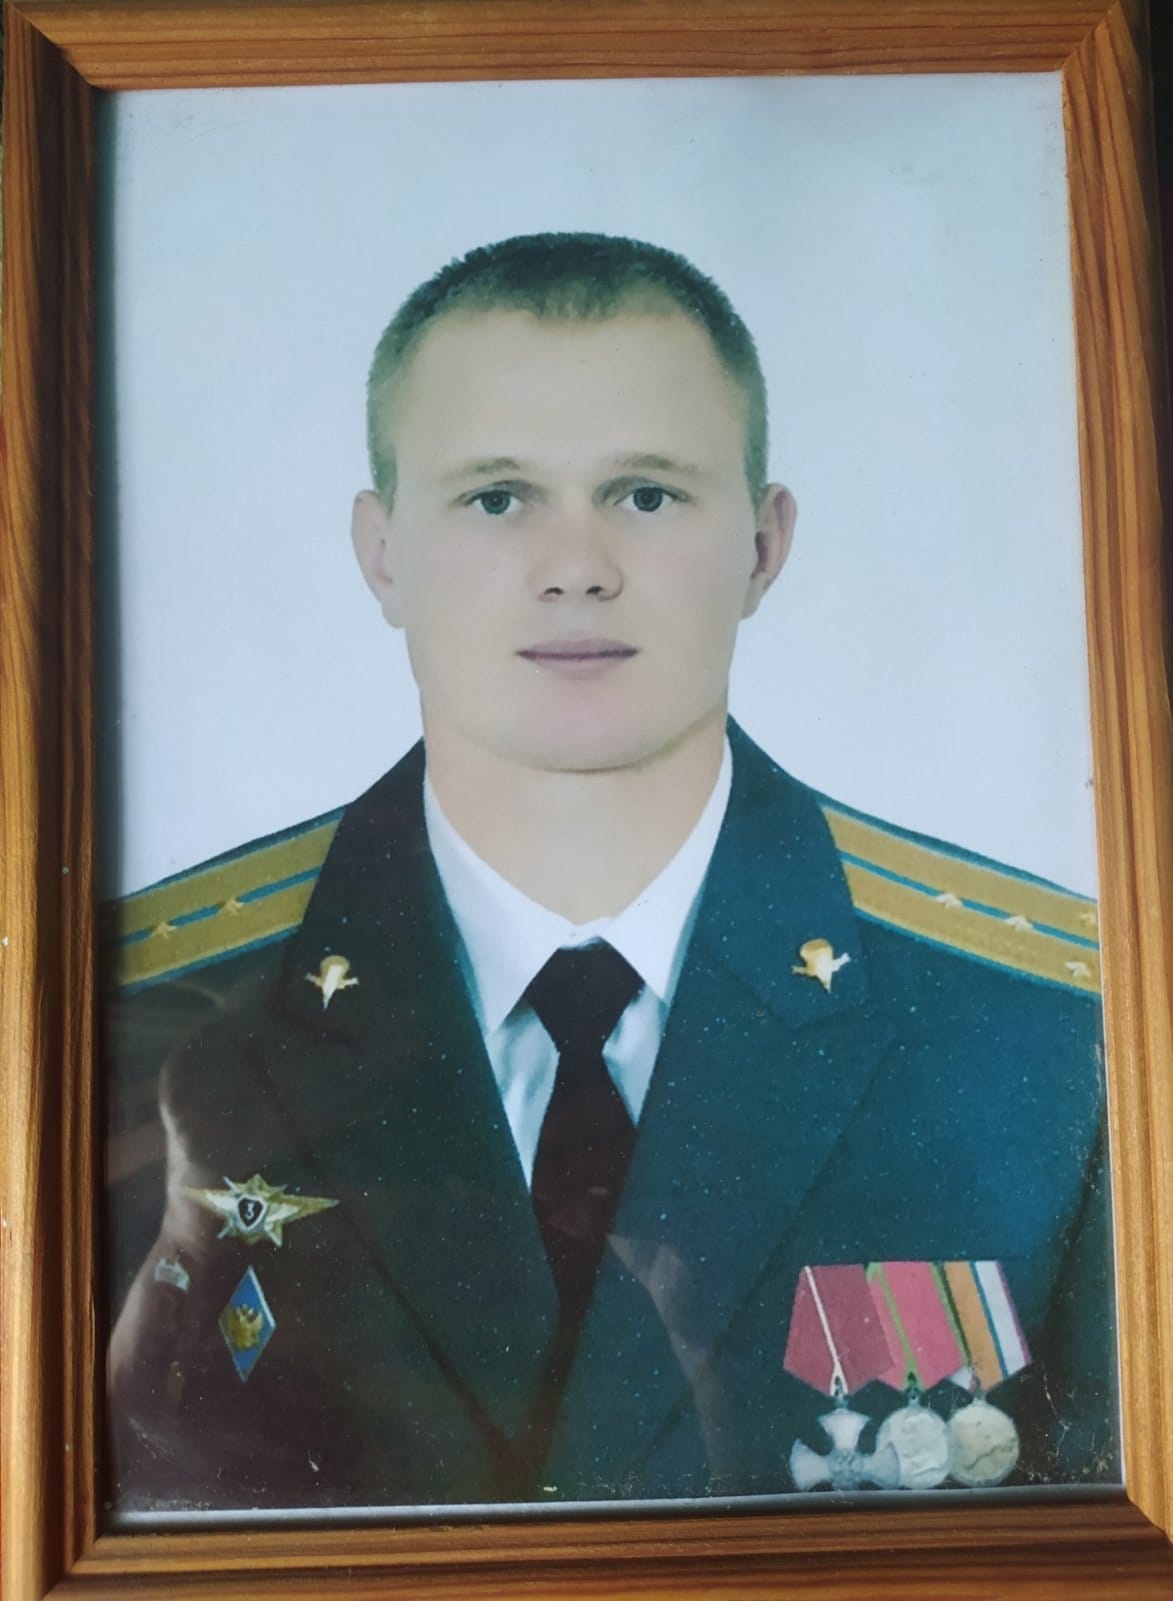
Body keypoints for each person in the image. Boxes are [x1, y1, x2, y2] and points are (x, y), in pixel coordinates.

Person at [106, 233, 1115, 1514]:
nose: (576, 564)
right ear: (383, 552)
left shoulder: (1054, 1024)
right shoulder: (130, 1015)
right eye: (497, 497)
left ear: (764, 544)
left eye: (645, 493)